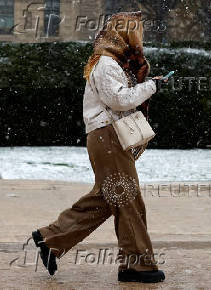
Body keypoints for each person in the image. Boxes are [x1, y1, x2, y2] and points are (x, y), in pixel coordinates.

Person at [31, 11, 166, 284]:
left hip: (109, 136)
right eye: (137, 32)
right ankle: (137, 265)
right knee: (127, 198)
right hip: (107, 136)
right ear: (124, 33)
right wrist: (150, 87)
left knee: (109, 198)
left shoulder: (114, 61)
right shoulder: (106, 62)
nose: (140, 38)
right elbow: (118, 99)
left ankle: (51, 238)